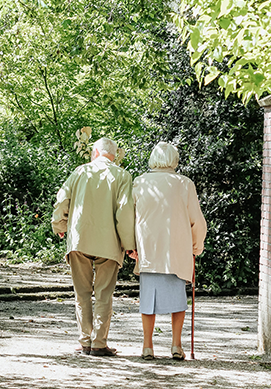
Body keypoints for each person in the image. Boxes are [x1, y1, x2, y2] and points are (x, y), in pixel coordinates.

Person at [51, 137, 136, 356]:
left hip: (80, 239)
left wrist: (59, 224)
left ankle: (85, 341)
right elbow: (125, 212)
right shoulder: (123, 176)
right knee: (104, 294)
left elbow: (62, 200)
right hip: (109, 243)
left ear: (95, 153)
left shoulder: (79, 172)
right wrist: (129, 245)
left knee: (82, 293)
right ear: (114, 155)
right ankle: (99, 344)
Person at [132, 141, 207, 360]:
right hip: (177, 250)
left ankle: (147, 346)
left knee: (148, 301)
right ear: (174, 160)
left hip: (149, 249)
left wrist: (131, 246)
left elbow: (131, 217)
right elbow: (197, 221)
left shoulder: (140, 182)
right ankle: (176, 345)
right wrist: (196, 246)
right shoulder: (184, 184)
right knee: (178, 300)